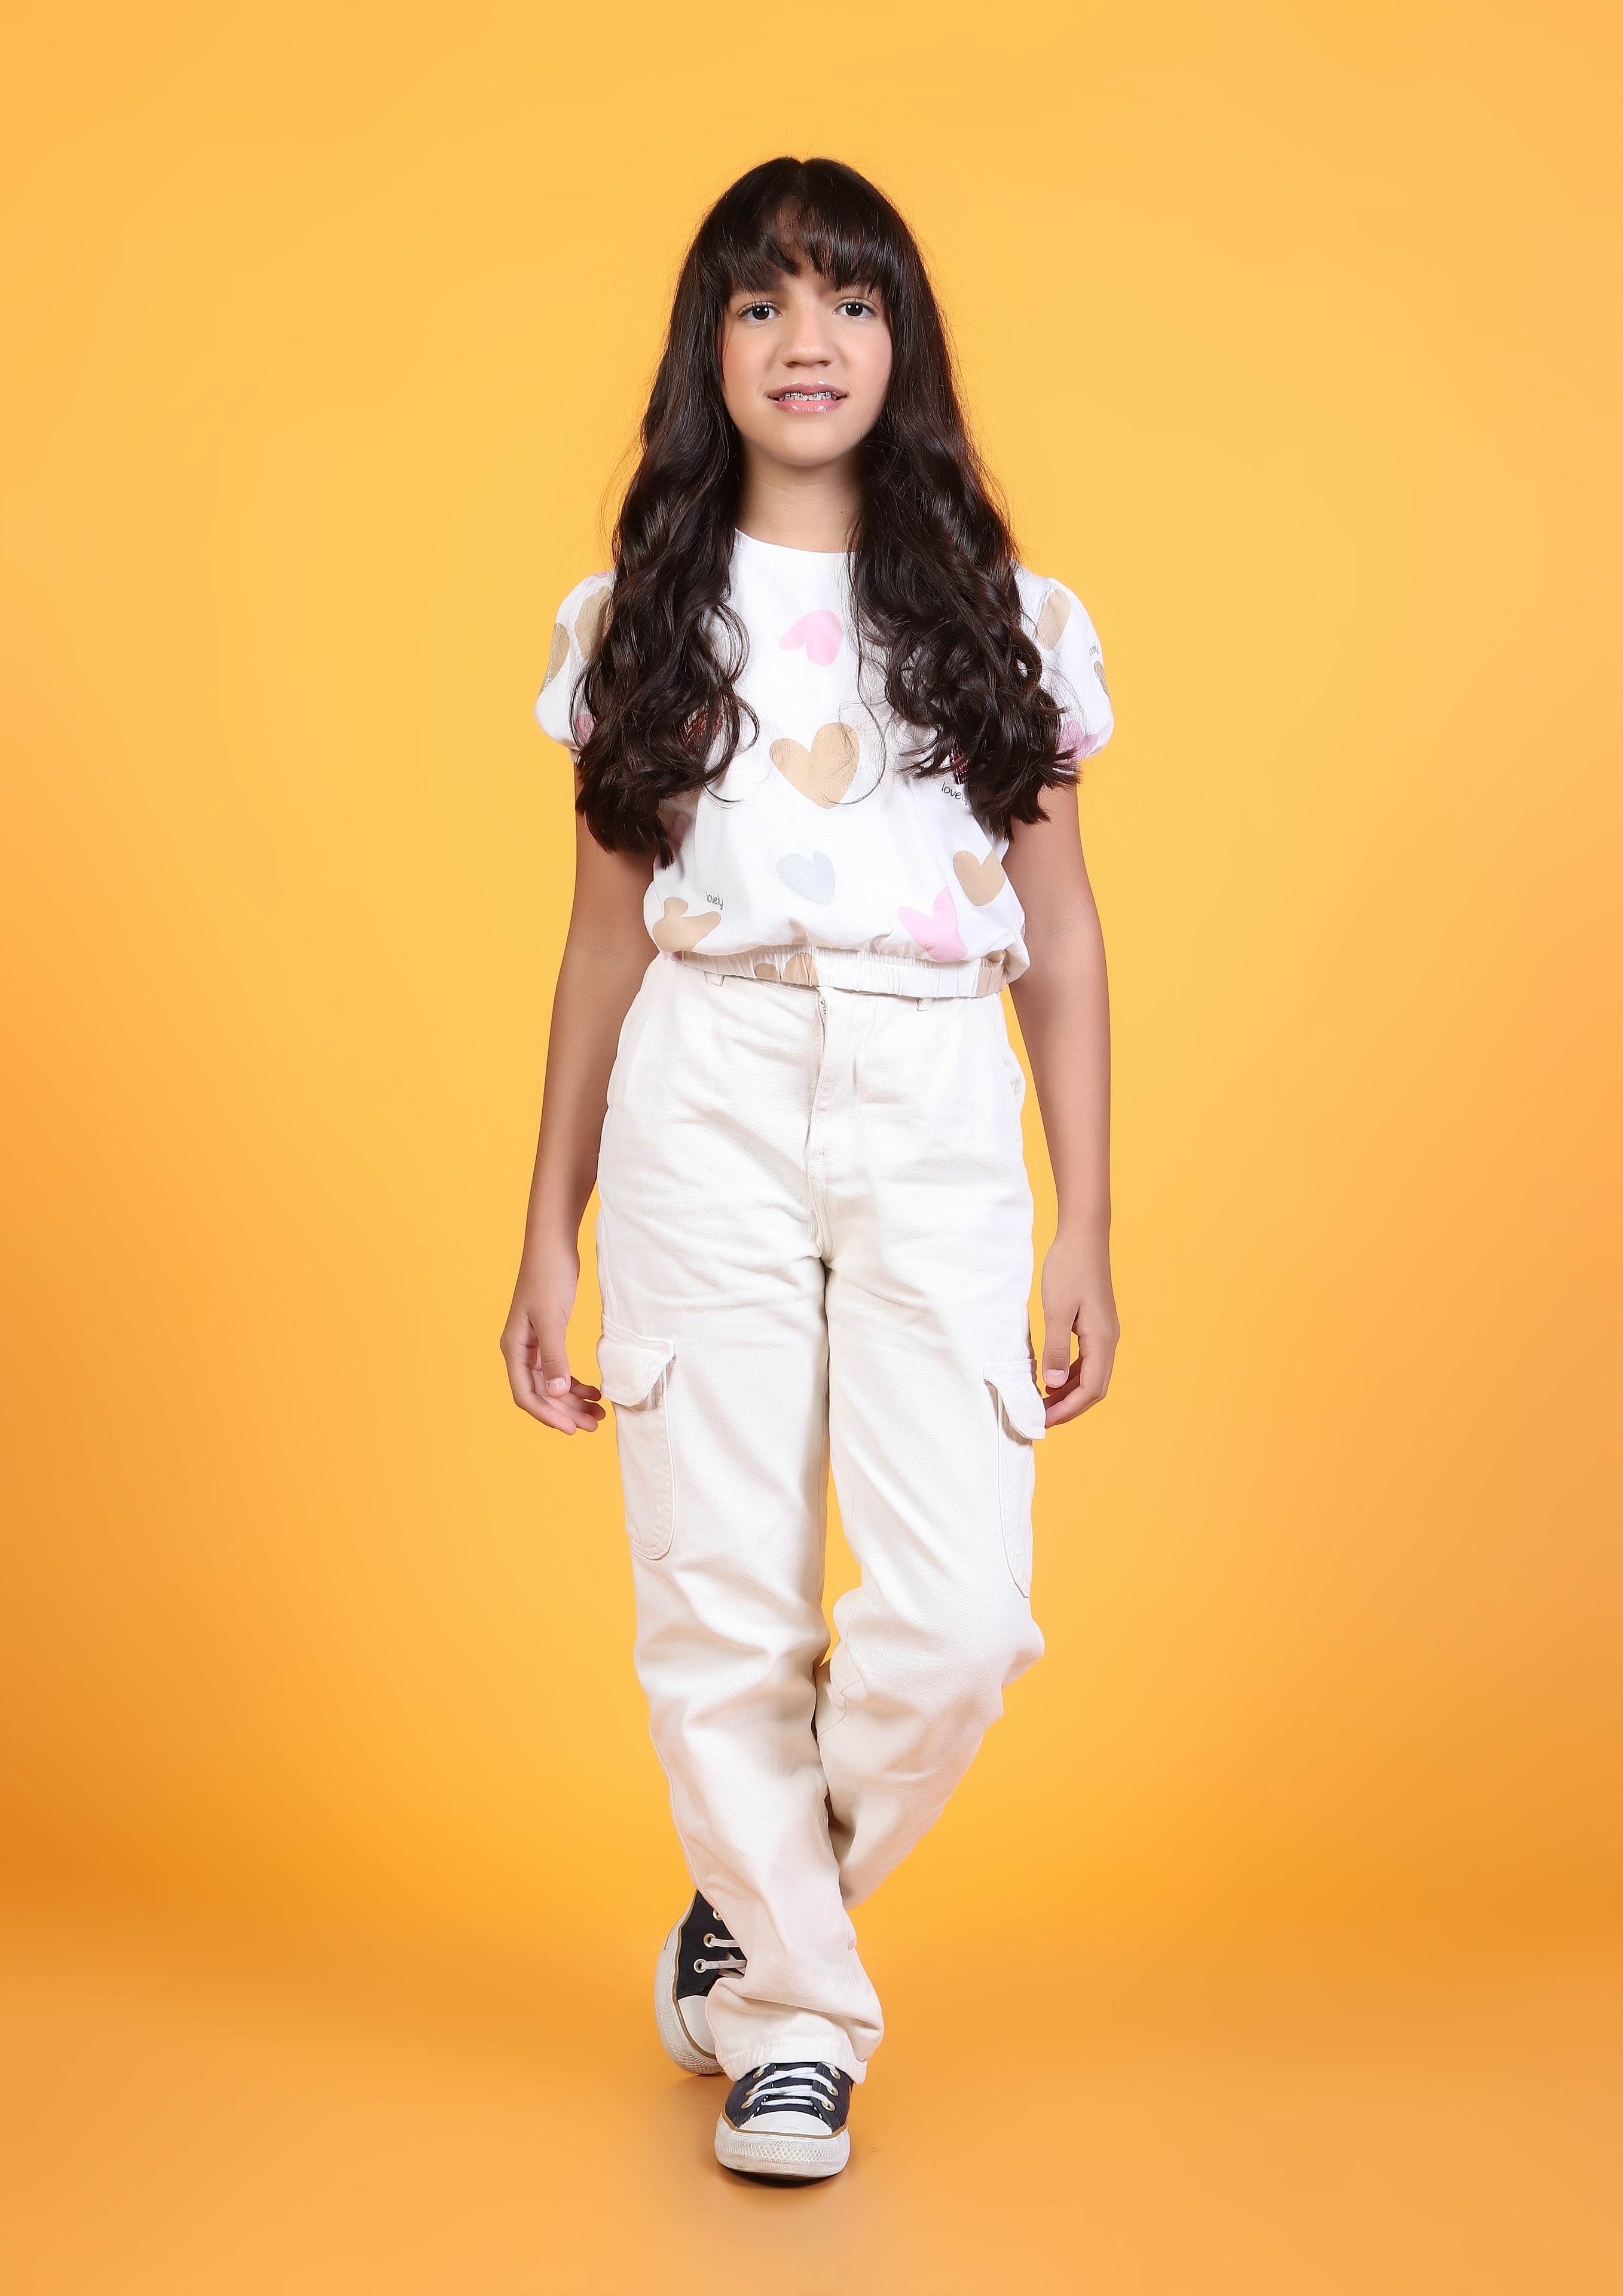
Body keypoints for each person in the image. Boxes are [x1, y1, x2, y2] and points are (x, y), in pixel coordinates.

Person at [500, 155, 1119, 2182]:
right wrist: (547, 1232)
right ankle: (793, 2022)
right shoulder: (640, 623)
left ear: (900, 340)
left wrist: (1087, 1223)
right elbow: (603, 945)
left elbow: (1064, 937)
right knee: (722, 1598)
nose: (805, 340)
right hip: (709, 1083)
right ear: (708, 349)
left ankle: (756, 1910)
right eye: (758, 304)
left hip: (935, 1094)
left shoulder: (1001, 622)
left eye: (847, 299)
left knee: (959, 1619)